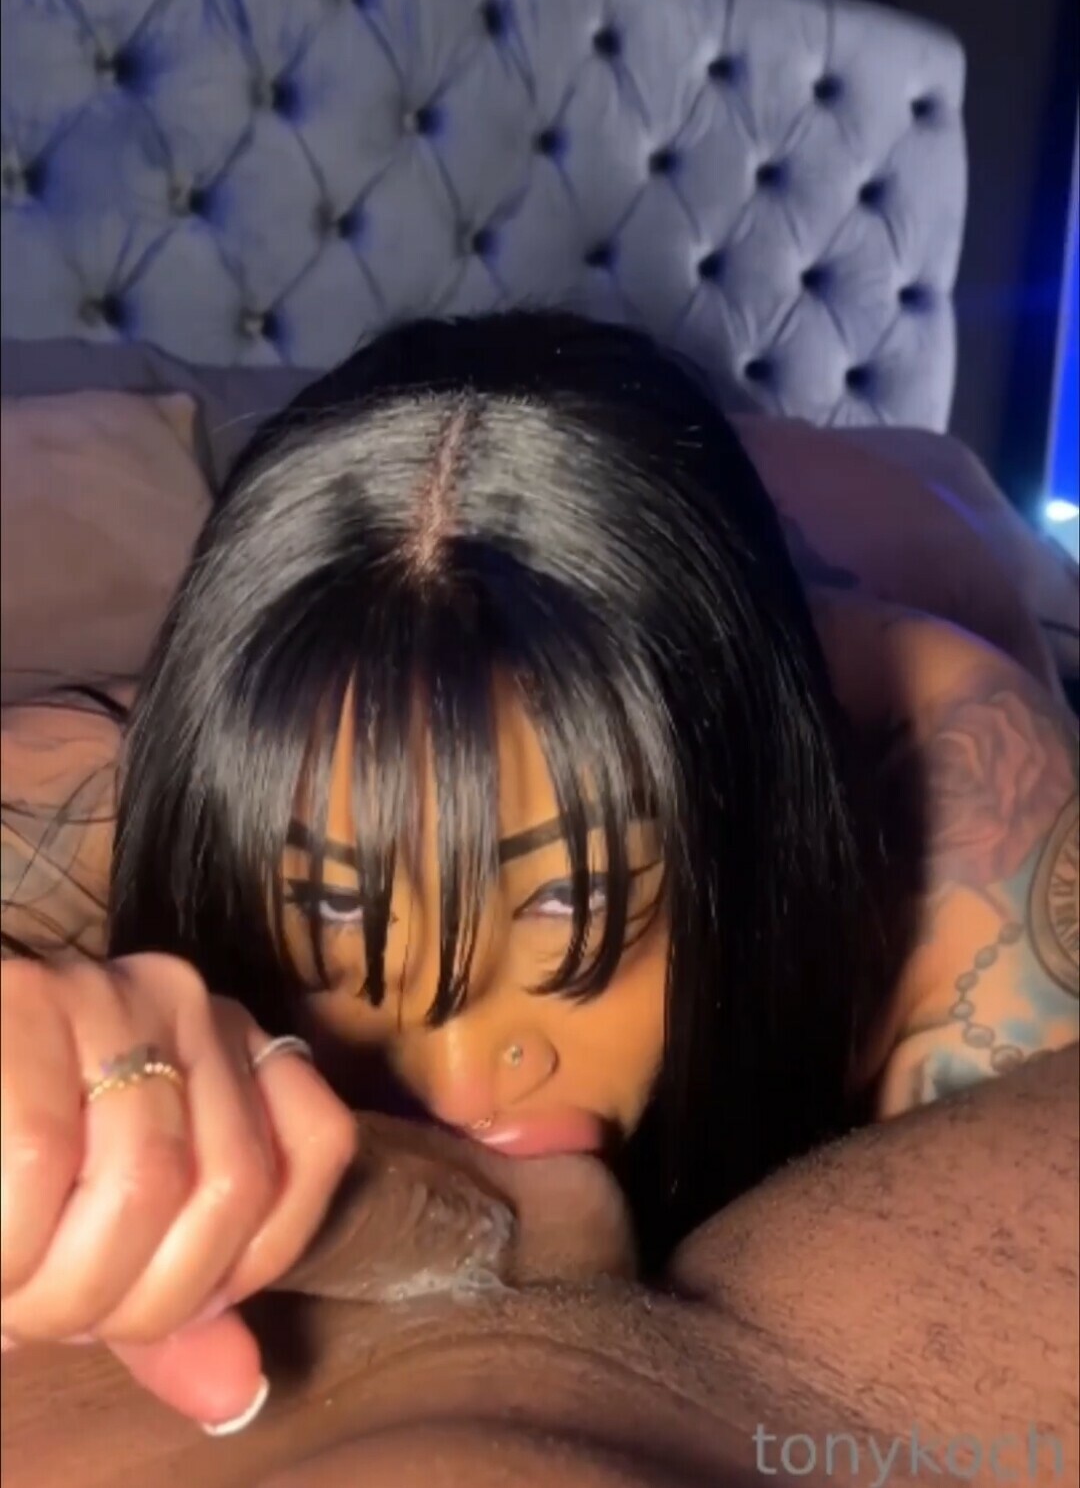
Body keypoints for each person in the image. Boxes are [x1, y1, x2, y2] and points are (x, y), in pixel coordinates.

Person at [2, 311, 1077, 1439]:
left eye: (573, 896)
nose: (461, 1066)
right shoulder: (114, 789)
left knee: (907, 513)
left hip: (883, 568)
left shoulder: (976, 826)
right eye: (335, 903)